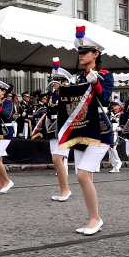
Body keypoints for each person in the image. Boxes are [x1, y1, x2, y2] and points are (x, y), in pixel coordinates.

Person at [54, 26, 114, 235]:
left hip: (100, 131)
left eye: (85, 52)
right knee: (84, 176)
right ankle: (93, 216)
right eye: (79, 52)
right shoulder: (78, 78)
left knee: (82, 175)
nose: (81, 56)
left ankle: (95, 219)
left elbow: (105, 98)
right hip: (81, 131)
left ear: (96, 54)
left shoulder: (105, 75)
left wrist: (96, 82)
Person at [34, 57, 73, 201]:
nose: (54, 82)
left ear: (64, 81)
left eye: (57, 79)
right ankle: (64, 189)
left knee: (59, 158)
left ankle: (66, 190)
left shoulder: (68, 94)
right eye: (53, 79)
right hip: (52, 128)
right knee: (56, 159)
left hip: (63, 128)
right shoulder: (53, 95)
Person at [106, 100, 124, 173]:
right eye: (113, 106)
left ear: (119, 106)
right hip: (109, 133)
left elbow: (124, 125)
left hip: (116, 134)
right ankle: (115, 166)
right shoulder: (109, 114)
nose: (114, 108)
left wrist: (117, 128)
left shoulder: (122, 114)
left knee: (112, 148)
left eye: (116, 106)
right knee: (110, 149)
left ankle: (118, 163)